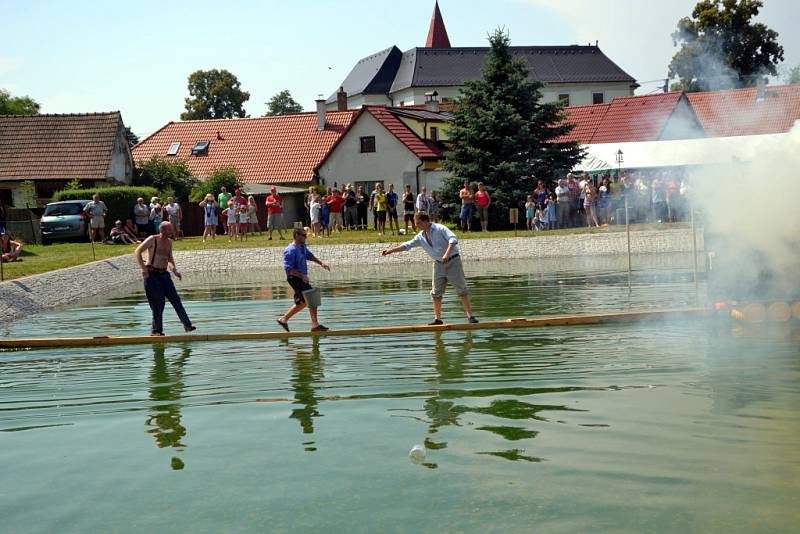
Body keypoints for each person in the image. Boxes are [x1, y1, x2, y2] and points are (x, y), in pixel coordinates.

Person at [381, 212, 478, 325]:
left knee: (462, 290)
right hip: (438, 265)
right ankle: (438, 319)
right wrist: (390, 251)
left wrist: (446, 254)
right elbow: (407, 245)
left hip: (453, 262)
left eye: (419, 223)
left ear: (426, 221)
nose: (416, 225)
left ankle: (471, 317)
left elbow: (453, 239)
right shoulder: (421, 236)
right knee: (436, 293)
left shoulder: (440, 228)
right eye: (416, 222)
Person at [134, 222, 195, 336]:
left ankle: (187, 325)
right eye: (170, 229)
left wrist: (174, 271)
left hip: (164, 275)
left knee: (176, 300)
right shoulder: (153, 239)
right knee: (158, 303)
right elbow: (137, 251)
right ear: (162, 230)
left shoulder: (169, 242)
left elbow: (169, 259)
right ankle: (156, 331)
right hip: (152, 274)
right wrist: (143, 269)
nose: (172, 231)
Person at [277, 227, 331, 332]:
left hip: (301, 278)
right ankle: (315, 325)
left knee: (303, 302)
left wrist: (321, 263)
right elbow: (288, 270)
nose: (306, 237)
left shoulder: (302, 247)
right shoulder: (290, 250)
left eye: (306, 235)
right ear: (296, 236)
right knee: (312, 299)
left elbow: (310, 256)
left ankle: (284, 319)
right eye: (304, 235)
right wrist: (302, 276)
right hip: (295, 278)